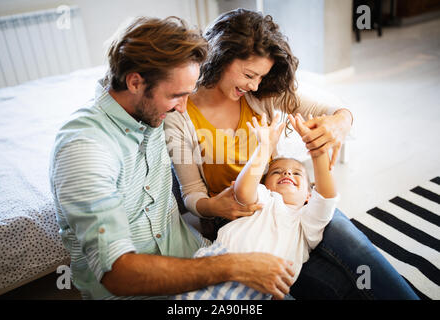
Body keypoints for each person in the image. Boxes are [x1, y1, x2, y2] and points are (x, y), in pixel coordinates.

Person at [164, 8, 419, 299]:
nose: (255, 85)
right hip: (238, 216)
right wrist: (214, 207)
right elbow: (191, 193)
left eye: (261, 76)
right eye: (249, 74)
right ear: (220, 57)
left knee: (356, 247)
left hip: (284, 198)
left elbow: (334, 107)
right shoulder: (181, 113)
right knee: (336, 285)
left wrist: (339, 123)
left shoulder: (262, 92)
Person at [49, 16, 295, 300]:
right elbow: (117, 273)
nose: (183, 109)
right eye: (177, 96)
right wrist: (231, 266)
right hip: (137, 291)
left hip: (192, 252)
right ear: (135, 82)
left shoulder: (149, 109)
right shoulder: (85, 149)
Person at [174, 113, 339, 300]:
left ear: (309, 195)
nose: (286, 172)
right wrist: (264, 147)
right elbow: (243, 192)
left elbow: (326, 196)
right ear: (265, 183)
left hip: (261, 290)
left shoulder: (306, 221)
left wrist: (317, 150)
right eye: (277, 172)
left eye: (297, 173)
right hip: (218, 262)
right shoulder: (263, 196)